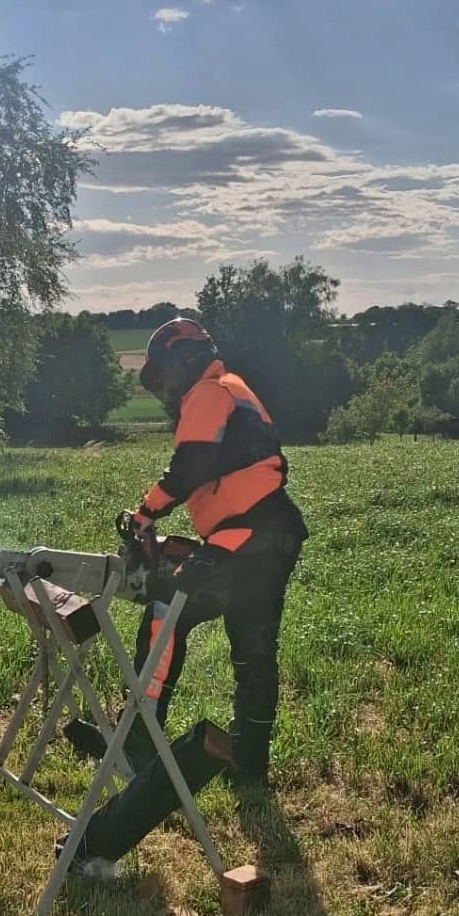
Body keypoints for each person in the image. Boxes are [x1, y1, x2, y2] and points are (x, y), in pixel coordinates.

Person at [122, 317, 308, 794]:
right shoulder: (234, 388)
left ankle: (140, 742)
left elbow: (193, 465)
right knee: (254, 653)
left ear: (182, 359)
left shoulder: (209, 392)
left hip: (247, 537)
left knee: (166, 611)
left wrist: (144, 514)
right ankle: (248, 767)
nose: (165, 390)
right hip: (272, 533)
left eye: (164, 376)